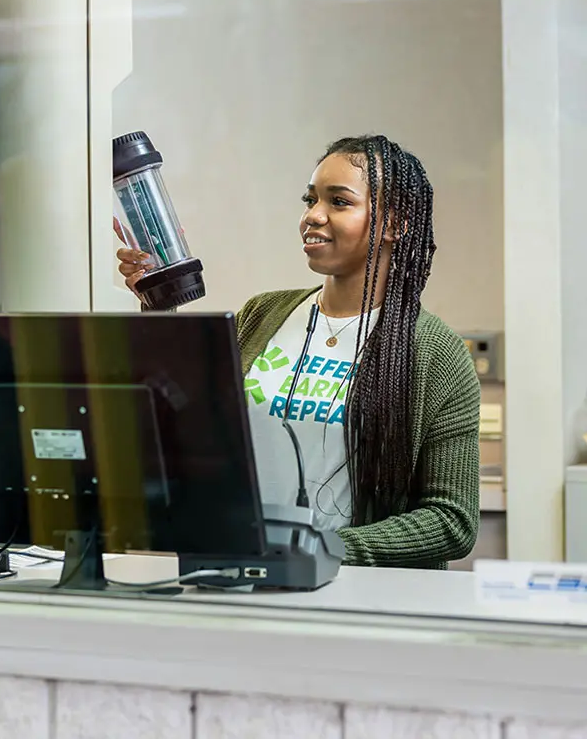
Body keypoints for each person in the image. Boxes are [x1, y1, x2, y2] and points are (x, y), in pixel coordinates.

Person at [116, 134, 480, 569]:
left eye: (339, 202)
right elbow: (177, 425)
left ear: (394, 224)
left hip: (357, 593)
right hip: (240, 574)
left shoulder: (434, 353)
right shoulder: (263, 314)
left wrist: (322, 548)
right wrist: (158, 306)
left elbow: (451, 520)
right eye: (310, 199)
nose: (313, 216)